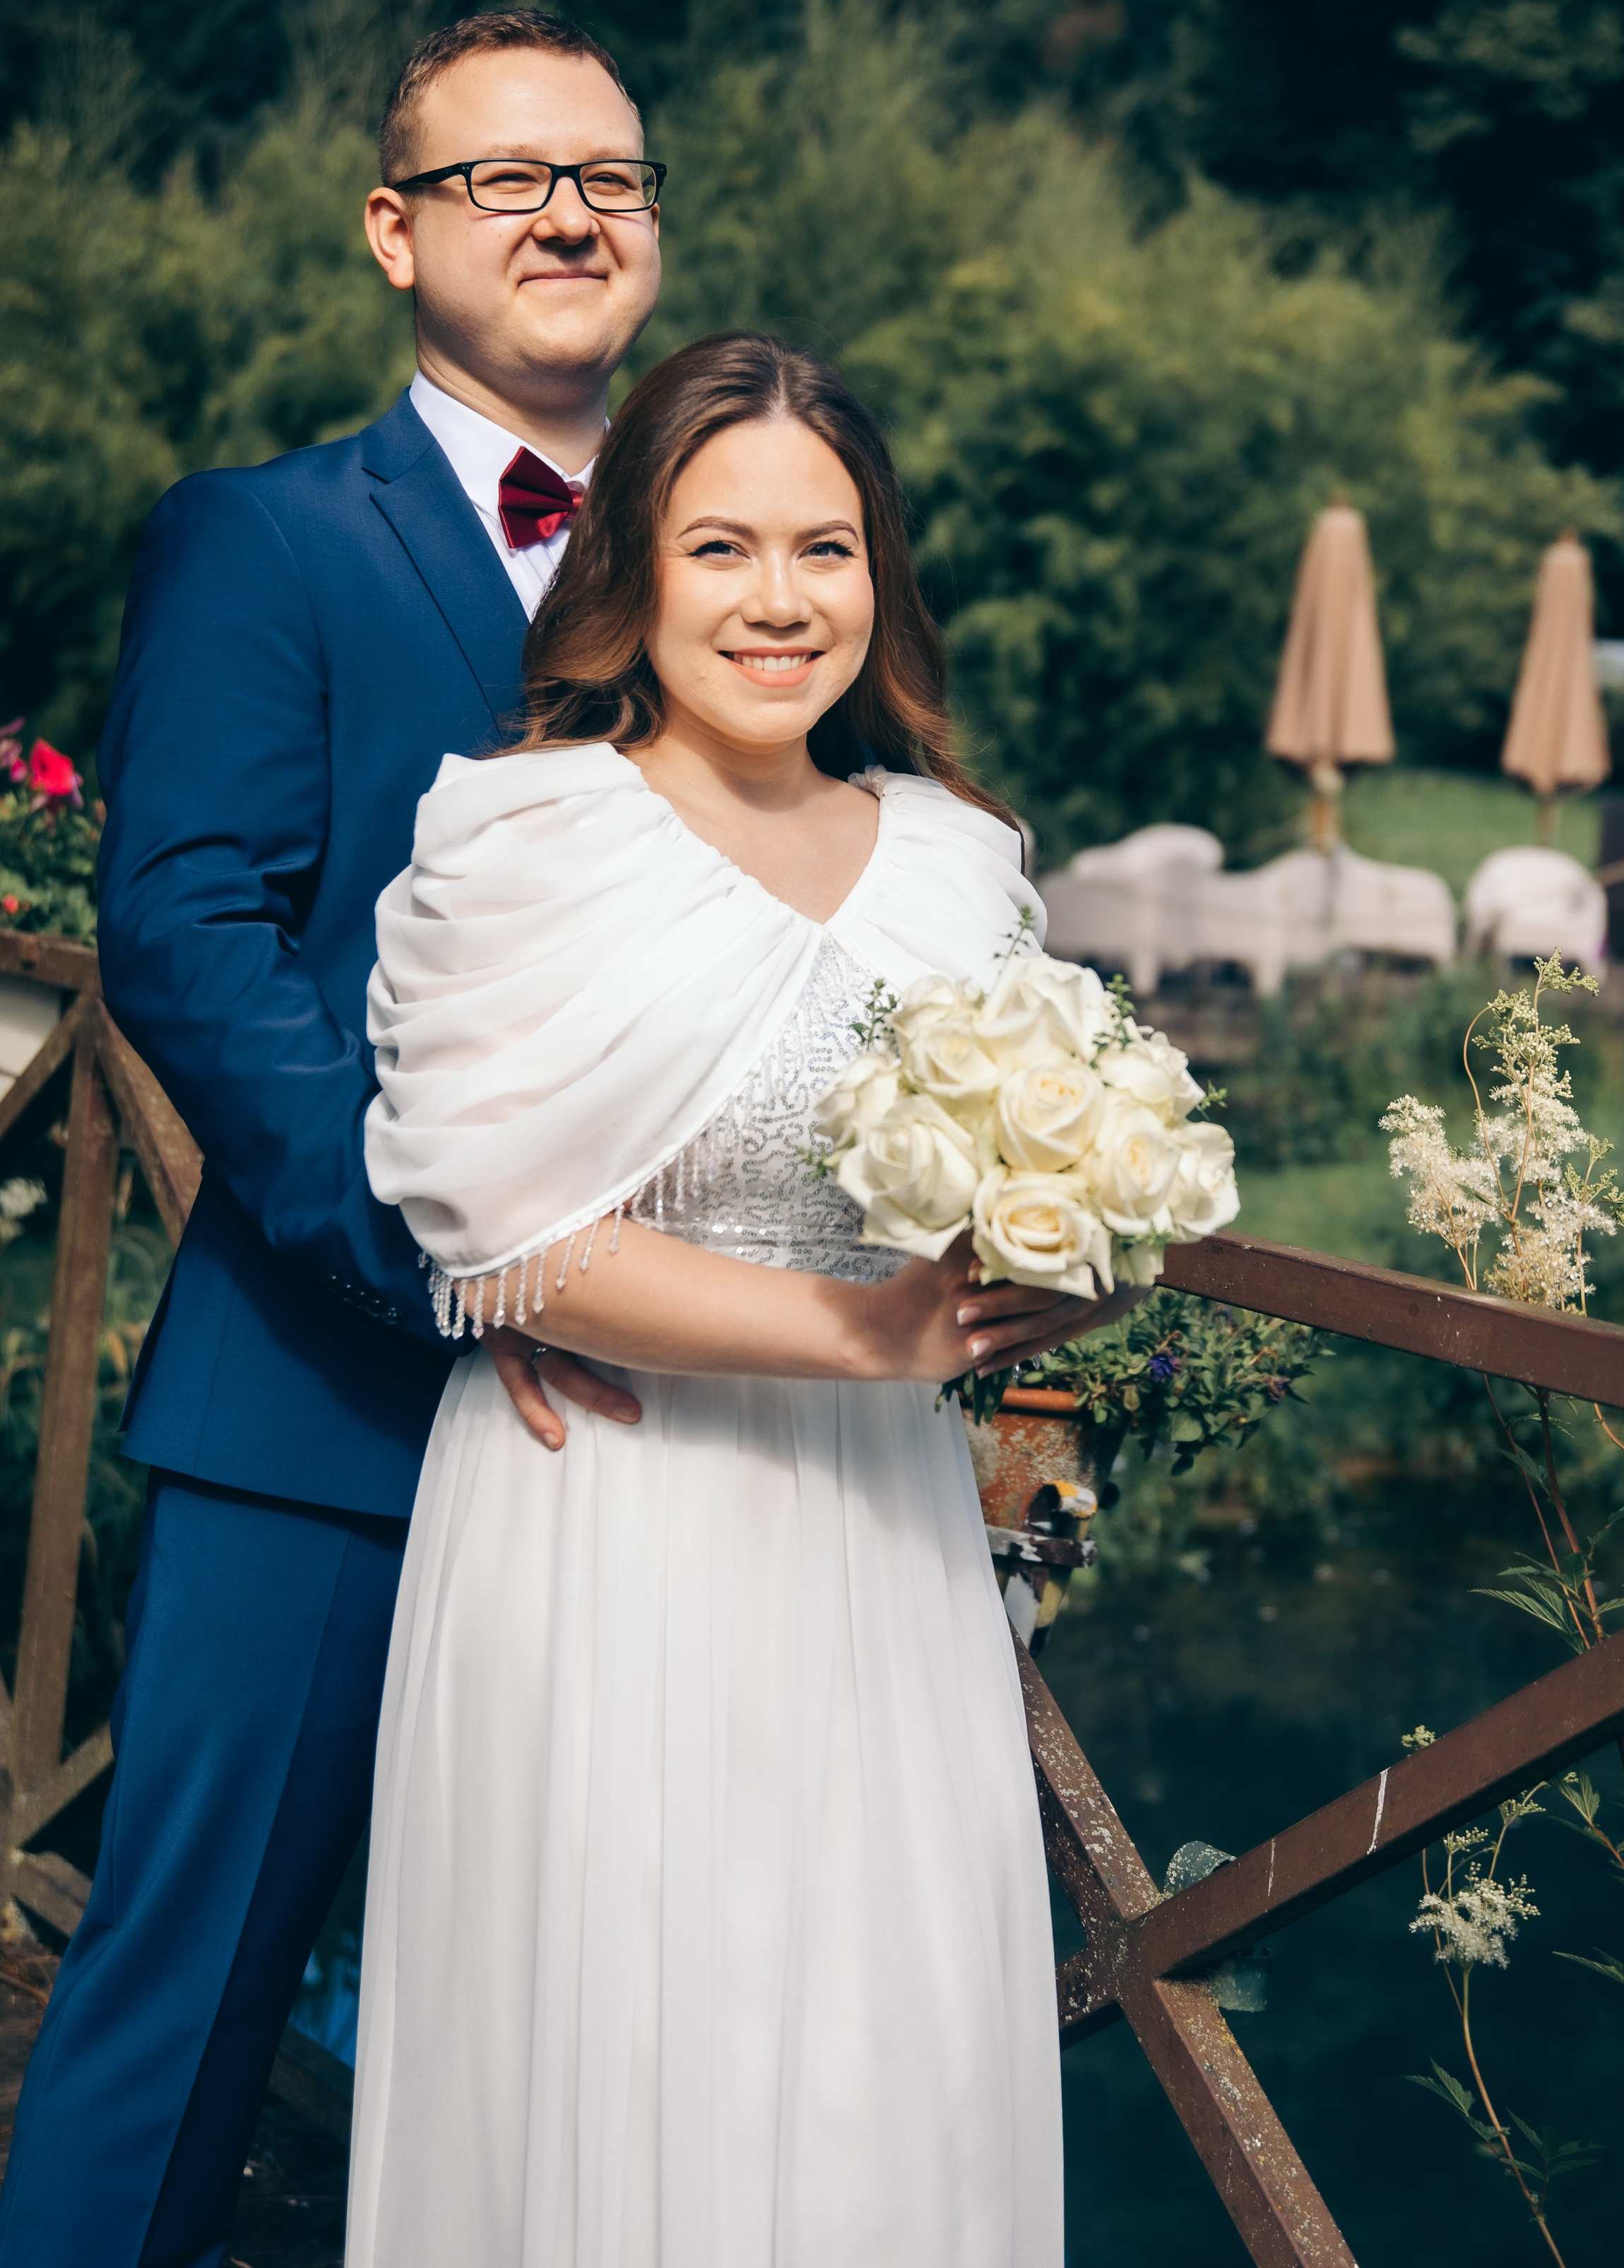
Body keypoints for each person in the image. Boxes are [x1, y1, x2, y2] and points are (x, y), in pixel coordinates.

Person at [347, 331, 1137, 2266]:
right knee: (628, 2039)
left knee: (883, 2055)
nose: (780, 602)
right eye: (721, 549)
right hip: (611, 1525)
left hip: (883, 1554)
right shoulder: (524, 832)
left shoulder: (965, 867)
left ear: (882, 577)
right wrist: (868, 1336)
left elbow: (1026, 1179)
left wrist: (1073, 1245)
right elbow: (497, 1236)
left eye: (827, 548)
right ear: (629, 570)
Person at [0, 8, 657, 2268]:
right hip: (329, 1401)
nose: (572, 210)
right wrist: (446, 1255)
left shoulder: (747, 559)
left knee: (602, 2019)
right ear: (395, 232)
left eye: (614, 175)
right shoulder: (269, 538)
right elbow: (182, 931)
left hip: (671, 1432)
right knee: (186, 2001)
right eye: (507, 177)